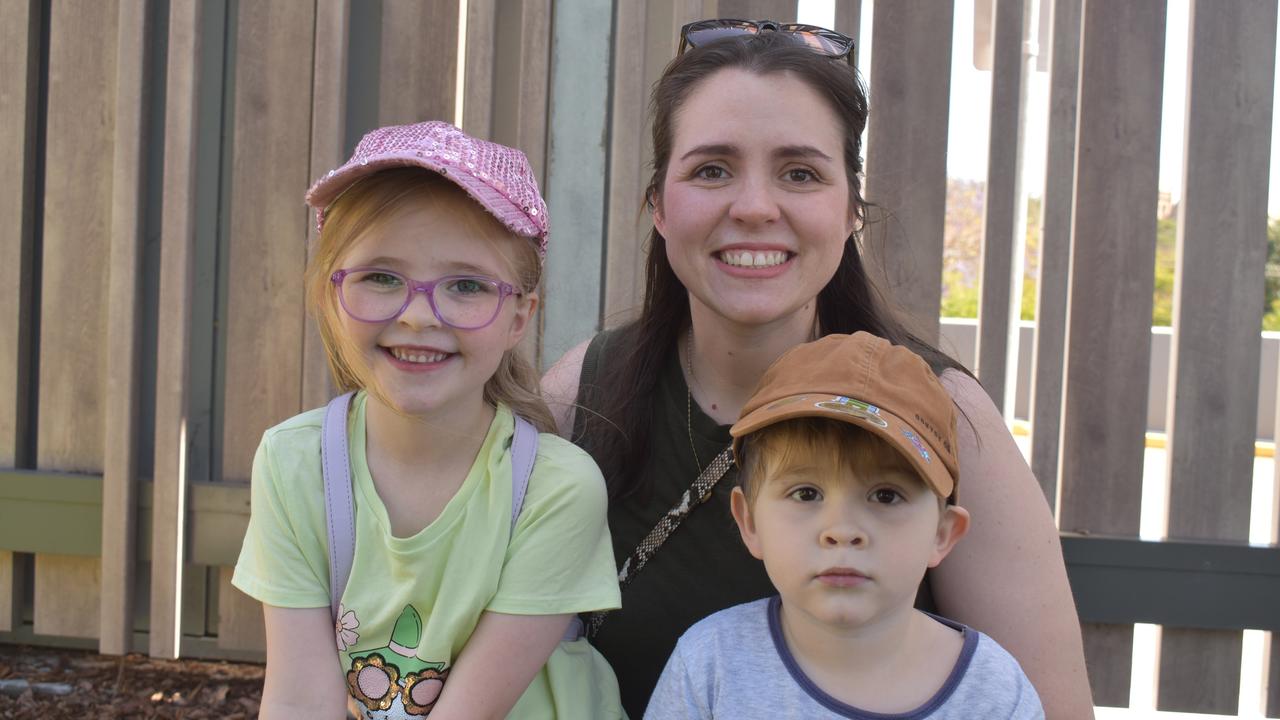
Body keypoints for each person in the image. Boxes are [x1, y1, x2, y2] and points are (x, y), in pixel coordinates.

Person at [541, 20, 1093, 719]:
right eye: (712, 169)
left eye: (799, 173)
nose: (754, 207)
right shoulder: (580, 397)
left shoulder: (943, 414)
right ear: (658, 203)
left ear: (850, 209)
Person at [233, 121, 623, 719]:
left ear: (519, 316)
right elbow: (297, 699)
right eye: (382, 277)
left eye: (465, 285)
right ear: (330, 295)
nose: (417, 316)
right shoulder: (294, 463)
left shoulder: (556, 489)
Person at [644, 332, 1044, 718]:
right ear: (749, 521)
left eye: (885, 495)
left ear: (942, 534)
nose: (841, 529)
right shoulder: (711, 667)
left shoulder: (994, 693)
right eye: (806, 494)